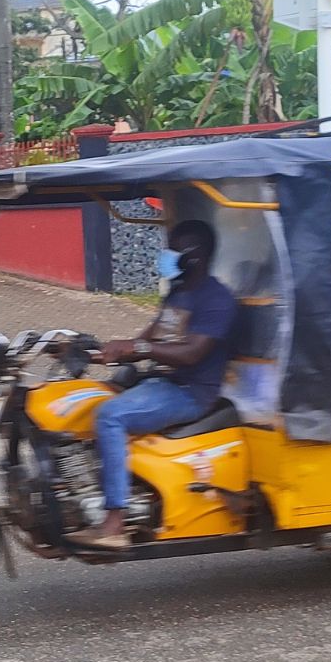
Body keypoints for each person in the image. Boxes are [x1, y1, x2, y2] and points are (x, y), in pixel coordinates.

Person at [79, 220, 237, 550]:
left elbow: (193, 353)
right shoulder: (179, 293)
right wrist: (93, 353)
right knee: (85, 403)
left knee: (110, 416)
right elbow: (145, 340)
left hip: (190, 392)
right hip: (160, 380)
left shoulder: (217, 299)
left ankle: (114, 522)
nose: (166, 254)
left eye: (174, 249)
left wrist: (139, 349)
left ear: (196, 255)